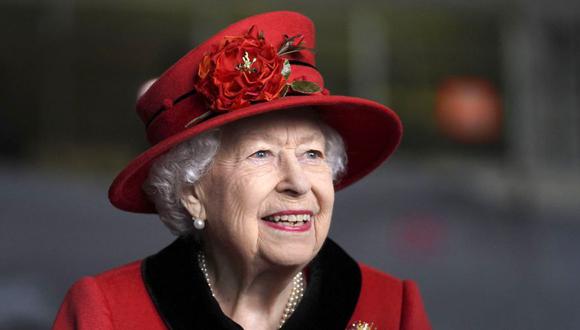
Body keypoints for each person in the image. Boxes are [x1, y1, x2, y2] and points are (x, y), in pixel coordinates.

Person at [53, 11, 431, 330]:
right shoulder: (106, 314)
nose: (298, 183)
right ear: (192, 193)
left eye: (312, 154)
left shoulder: (393, 309)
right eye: (261, 154)